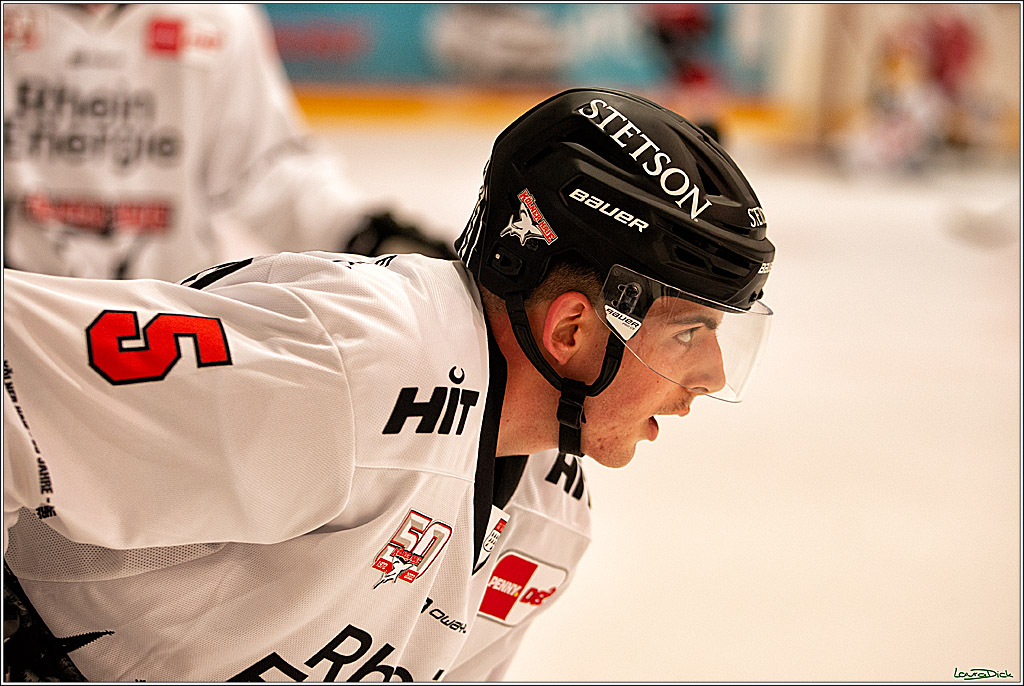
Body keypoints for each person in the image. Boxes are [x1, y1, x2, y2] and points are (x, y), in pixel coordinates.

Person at [3, 87, 776, 681]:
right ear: (572, 330)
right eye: (689, 332)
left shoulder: (550, 524)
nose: (710, 376)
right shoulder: (360, 364)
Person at [2, 3, 451, 282]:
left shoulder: (216, 18)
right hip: (20, 322)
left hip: (164, 323)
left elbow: (270, 175)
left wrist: (370, 237)